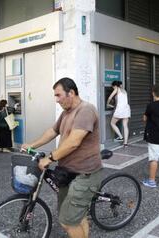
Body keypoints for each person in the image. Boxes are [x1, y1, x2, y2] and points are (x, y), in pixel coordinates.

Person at [21, 77, 102, 238]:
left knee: (67, 221)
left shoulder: (86, 110)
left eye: (58, 95)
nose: (56, 100)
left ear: (71, 93)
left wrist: (49, 159)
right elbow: (52, 131)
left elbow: (74, 142)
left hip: (85, 174)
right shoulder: (66, 113)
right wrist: (32, 145)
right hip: (67, 173)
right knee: (75, 216)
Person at [106, 80, 131, 146]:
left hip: (120, 110)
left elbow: (109, 97)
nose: (113, 88)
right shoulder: (124, 91)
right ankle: (125, 143)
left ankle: (120, 137)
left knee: (112, 123)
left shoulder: (117, 89)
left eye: (113, 87)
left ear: (115, 86)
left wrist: (107, 104)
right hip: (126, 109)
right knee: (125, 126)